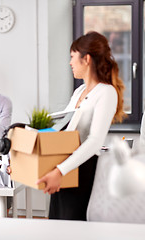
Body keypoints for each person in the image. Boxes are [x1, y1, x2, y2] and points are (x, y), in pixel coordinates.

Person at [37, 31, 126, 221]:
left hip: (83, 170)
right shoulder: (78, 92)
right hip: (63, 165)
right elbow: (64, 131)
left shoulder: (106, 92)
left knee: (74, 227)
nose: (70, 63)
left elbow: (94, 141)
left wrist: (60, 170)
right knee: (57, 225)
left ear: (86, 59)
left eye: (72, 57)